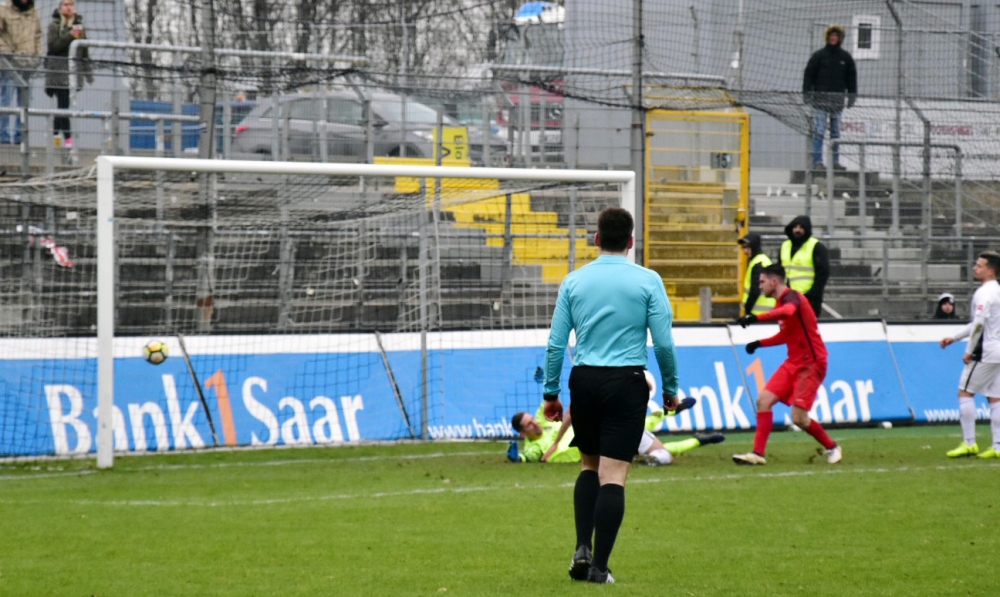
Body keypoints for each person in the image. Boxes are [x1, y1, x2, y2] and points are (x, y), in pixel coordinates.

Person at [542, 206, 679, 584]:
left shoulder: (574, 281)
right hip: (626, 381)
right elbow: (664, 343)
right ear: (631, 242)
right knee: (614, 475)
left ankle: (582, 547)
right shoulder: (648, 280)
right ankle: (599, 569)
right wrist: (670, 388)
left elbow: (556, 344)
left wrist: (551, 393)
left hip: (584, 380)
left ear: (597, 239)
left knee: (589, 466)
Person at [732, 263, 842, 466]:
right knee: (763, 400)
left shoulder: (792, 298)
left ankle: (832, 446)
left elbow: (789, 312)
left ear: (774, 282)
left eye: (762, 281)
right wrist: (759, 343)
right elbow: (786, 334)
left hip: (812, 364)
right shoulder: (780, 303)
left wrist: (755, 318)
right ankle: (758, 453)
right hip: (793, 362)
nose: (760, 286)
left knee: (799, 418)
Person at [941, 251, 1000, 460]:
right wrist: (955, 337)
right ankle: (997, 445)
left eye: (979, 265)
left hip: (986, 351)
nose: (975, 268)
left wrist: (968, 350)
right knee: (995, 398)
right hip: (998, 350)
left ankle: (969, 443)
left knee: (964, 392)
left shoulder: (984, 293)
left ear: (990, 270)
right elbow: (978, 322)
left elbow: (979, 324)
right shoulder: (997, 291)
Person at [803, 24, 857, 171]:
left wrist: (851, 96)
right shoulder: (818, 56)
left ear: (840, 38)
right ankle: (817, 161)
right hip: (820, 101)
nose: (834, 38)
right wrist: (807, 94)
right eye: (831, 36)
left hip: (837, 101)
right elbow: (808, 75)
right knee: (819, 131)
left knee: (836, 133)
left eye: (836, 36)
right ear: (827, 37)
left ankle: (835, 162)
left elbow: (851, 78)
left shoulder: (846, 58)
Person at [44, 0, 91, 149]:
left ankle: (57, 135)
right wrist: (70, 35)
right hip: (58, 72)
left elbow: (84, 51)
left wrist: (88, 72)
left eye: (71, 4)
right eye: (66, 4)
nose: (69, 7)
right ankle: (67, 140)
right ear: (60, 7)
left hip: (73, 72)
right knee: (63, 104)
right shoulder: (54, 26)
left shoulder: (80, 26)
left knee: (64, 106)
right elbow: (53, 47)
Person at [0, 0, 42, 144]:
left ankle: (20, 136)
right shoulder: (4, 9)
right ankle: (2, 136)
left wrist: (37, 57)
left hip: (28, 66)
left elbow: (38, 36)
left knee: (24, 103)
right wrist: (8, 55)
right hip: (9, 66)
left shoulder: (33, 12)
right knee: (6, 100)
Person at [779, 215, 829, 318]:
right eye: (795, 227)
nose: (798, 230)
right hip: (788, 297)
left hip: (808, 298)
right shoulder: (784, 246)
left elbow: (823, 273)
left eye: (801, 227)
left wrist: (813, 295)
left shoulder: (816, 247)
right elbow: (779, 270)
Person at [739, 232, 775, 316]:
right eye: (743, 247)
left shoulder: (758, 263)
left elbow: (755, 290)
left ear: (754, 246)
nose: (744, 251)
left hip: (758, 312)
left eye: (747, 247)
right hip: (763, 311)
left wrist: (748, 309)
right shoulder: (761, 260)